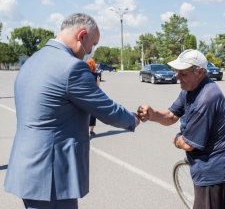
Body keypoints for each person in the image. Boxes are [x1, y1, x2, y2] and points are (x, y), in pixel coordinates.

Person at [4, 13, 140, 209]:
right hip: (52, 174)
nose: (91, 50)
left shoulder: (34, 60)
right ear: (82, 36)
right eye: (93, 43)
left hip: (27, 168)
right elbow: (105, 108)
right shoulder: (72, 68)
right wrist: (132, 119)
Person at [138, 49, 225, 209]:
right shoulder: (189, 89)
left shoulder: (206, 98)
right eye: (177, 72)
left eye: (183, 73)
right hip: (204, 163)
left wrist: (176, 140)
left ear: (200, 72)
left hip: (211, 169)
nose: (177, 77)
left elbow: (189, 143)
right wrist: (152, 114)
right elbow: (171, 115)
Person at [86, 58, 100, 135]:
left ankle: (84, 129)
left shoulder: (84, 75)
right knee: (93, 114)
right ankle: (91, 130)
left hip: (86, 96)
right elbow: (98, 86)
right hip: (94, 96)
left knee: (85, 113)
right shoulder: (96, 75)